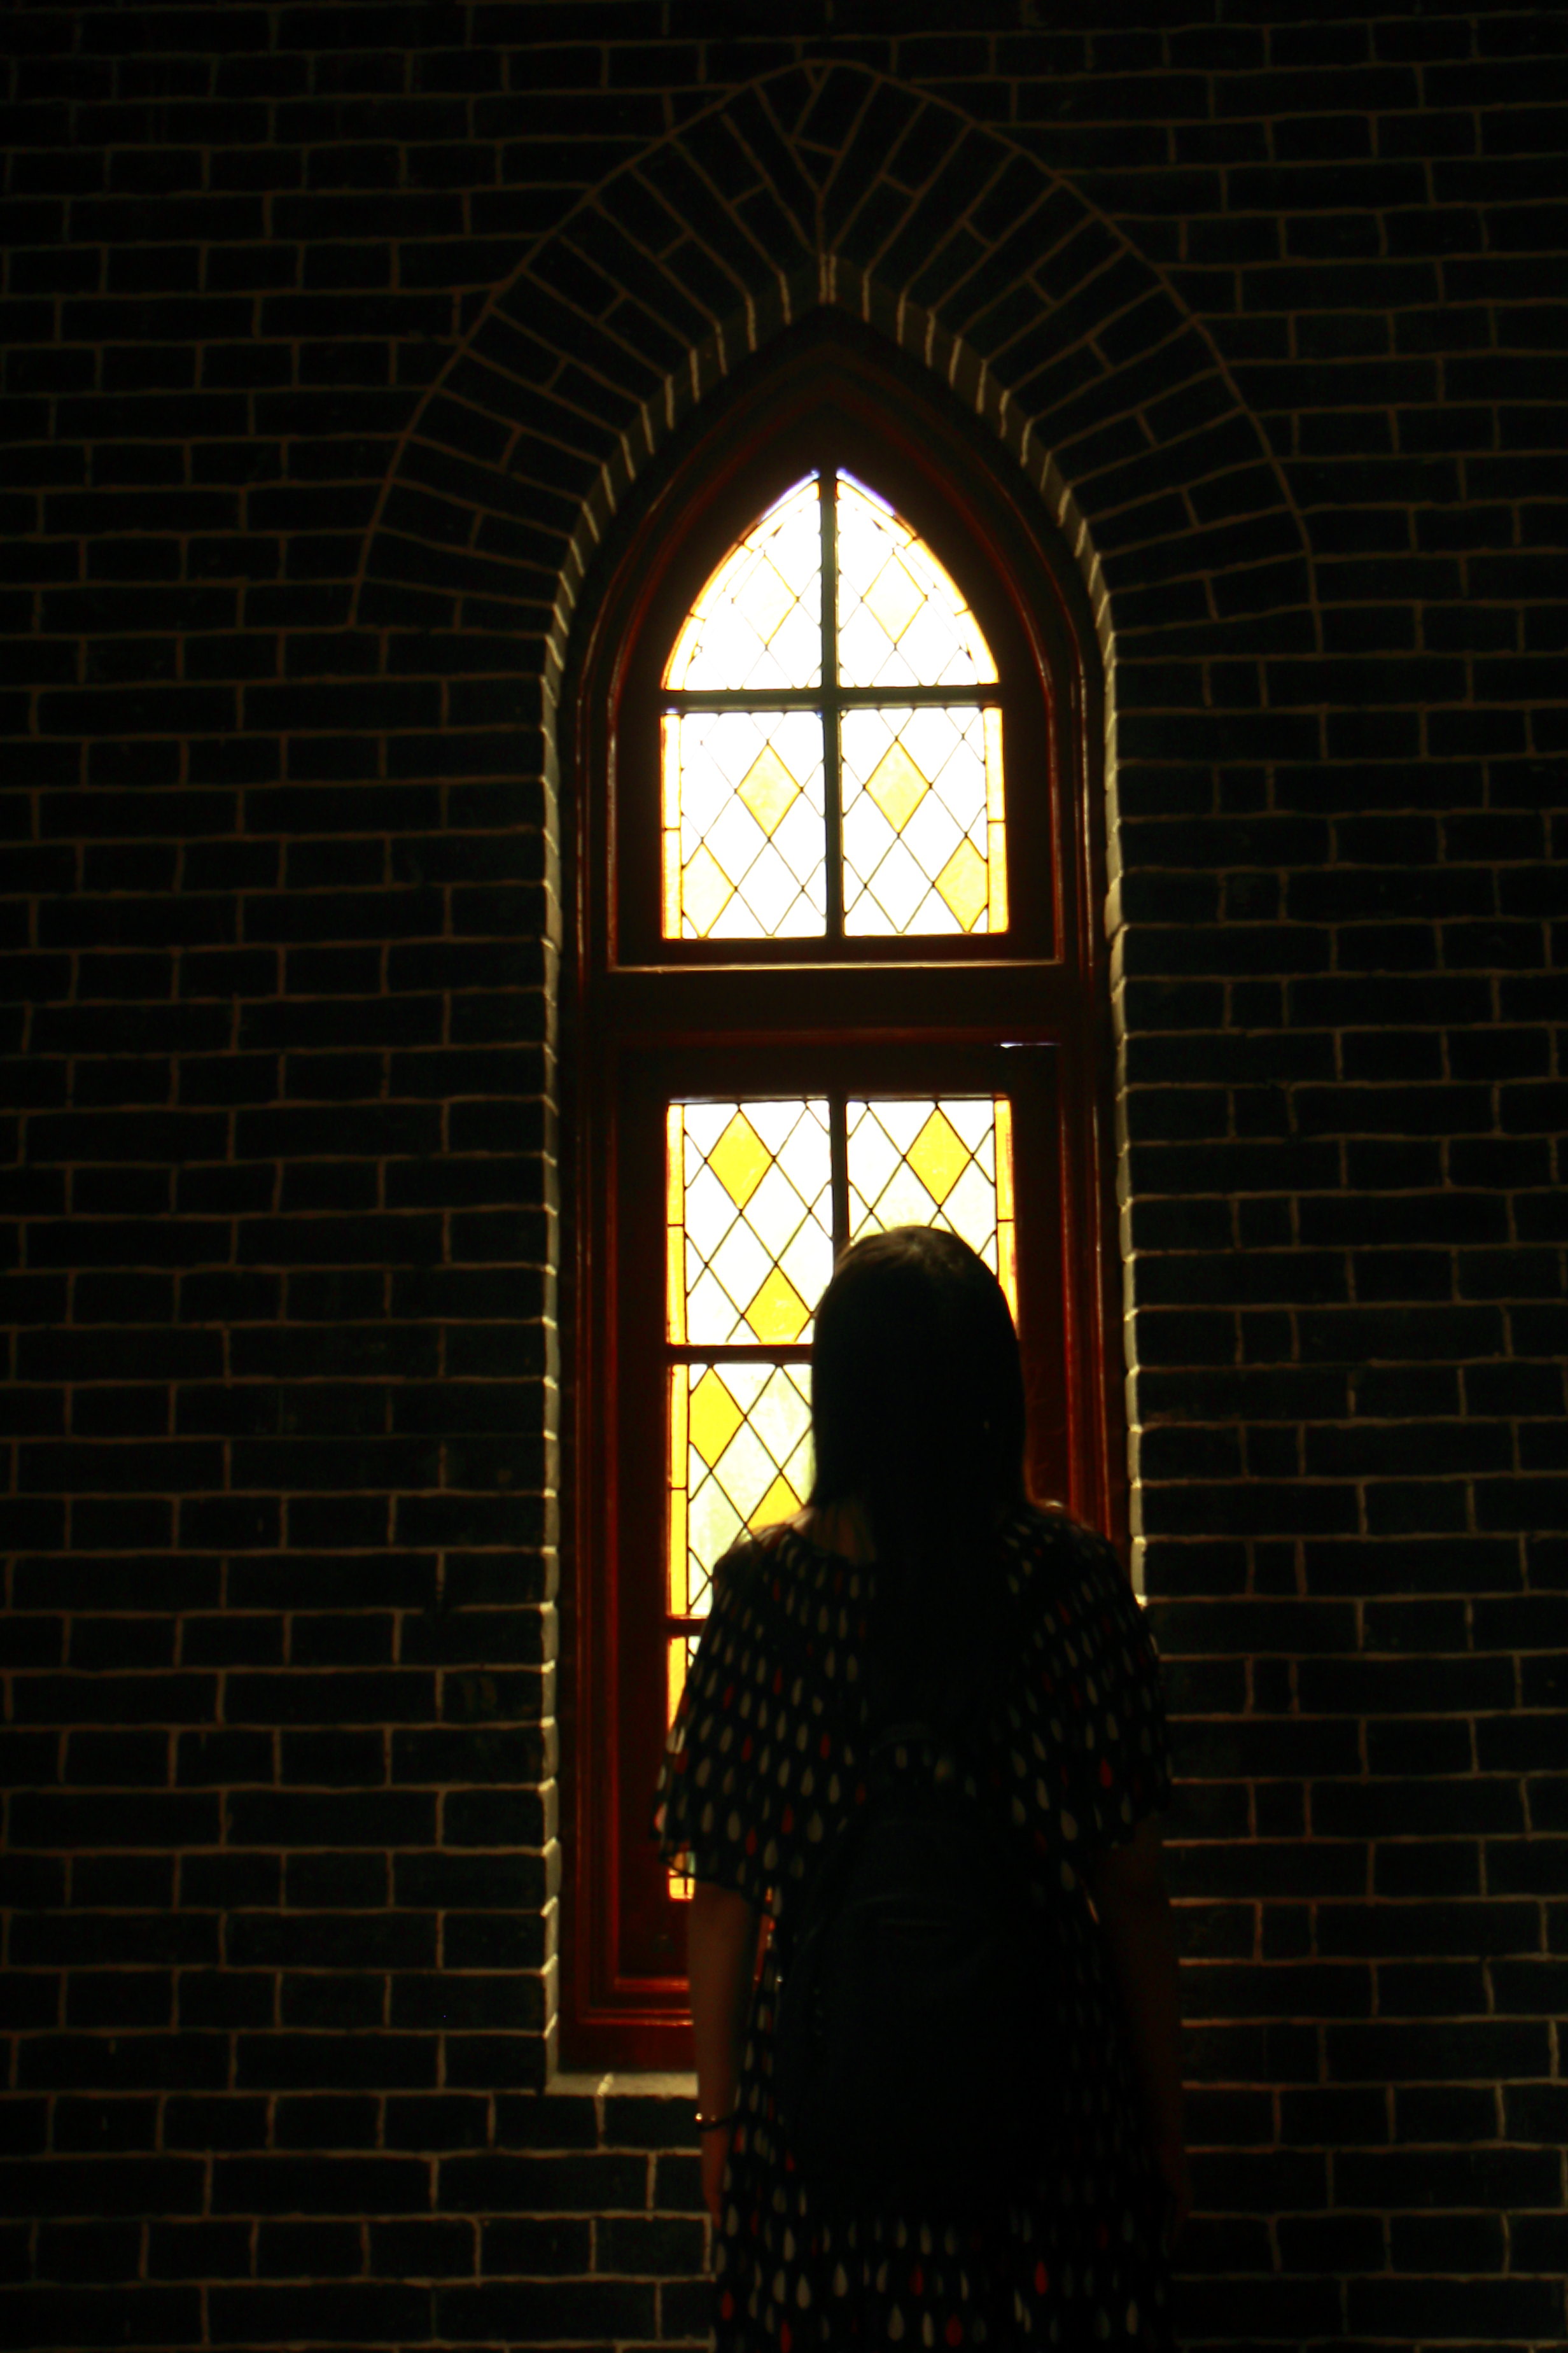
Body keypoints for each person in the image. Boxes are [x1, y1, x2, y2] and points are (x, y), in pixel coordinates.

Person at [654, 1226, 1189, 2350]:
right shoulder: (1074, 1586)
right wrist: (1162, 2122)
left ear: (838, 1399)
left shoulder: (762, 1598)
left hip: (825, 2122)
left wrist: (719, 2123)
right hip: (1051, 2117)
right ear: (994, 1392)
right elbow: (1133, 1885)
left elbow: (724, 1896)